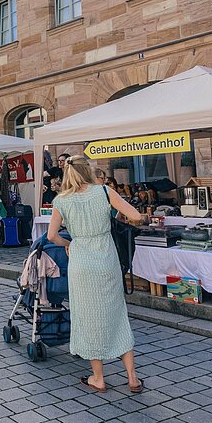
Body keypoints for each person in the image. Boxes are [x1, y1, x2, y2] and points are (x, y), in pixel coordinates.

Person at [48, 155, 147, 392]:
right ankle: (132, 378)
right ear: (88, 171)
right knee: (117, 314)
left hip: (81, 262)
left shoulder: (61, 200)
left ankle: (98, 378)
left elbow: (51, 236)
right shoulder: (103, 192)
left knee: (87, 317)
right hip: (106, 259)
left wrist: (68, 244)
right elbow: (136, 216)